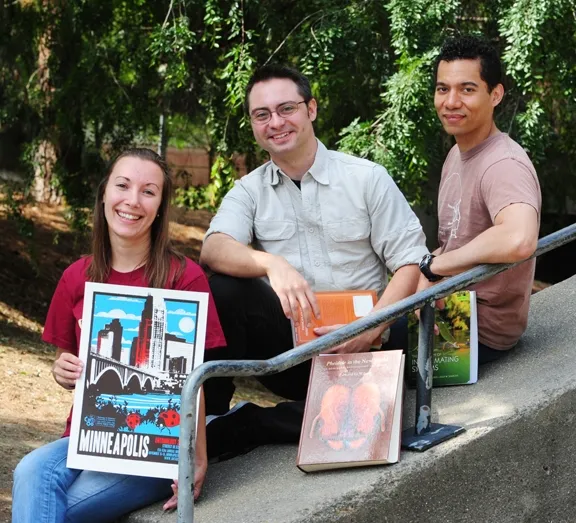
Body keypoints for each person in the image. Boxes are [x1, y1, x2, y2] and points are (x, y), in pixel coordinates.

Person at [200, 64, 429, 458]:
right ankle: (207, 421)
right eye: (262, 115)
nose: (276, 122)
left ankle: (249, 424)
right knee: (219, 286)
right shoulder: (250, 190)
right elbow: (213, 248)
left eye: (286, 108)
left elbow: (411, 264)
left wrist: (370, 328)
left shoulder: (367, 178)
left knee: (370, 419)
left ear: (311, 109)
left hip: (363, 352)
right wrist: (273, 264)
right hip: (294, 356)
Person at [12, 148, 226, 522]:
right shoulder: (77, 277)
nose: (132, 201)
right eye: (122, 186)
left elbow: (197, 380)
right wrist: (61, 370)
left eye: (148, 191)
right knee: (31, 471)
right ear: (104, 194)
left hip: (154, 449)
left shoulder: (184, 278)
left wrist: (195, 457)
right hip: (86, 438)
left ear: (160, 206)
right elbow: (68, 365)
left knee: (56, 510)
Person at [416, 35, 541, 364]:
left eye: (467, 89)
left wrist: (437, 266)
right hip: (450, 307)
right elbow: (455, 240)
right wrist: (424, 269)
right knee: (356, 325)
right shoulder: (457, 154)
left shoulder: (503, 164)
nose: (451, 101)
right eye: (443, 89)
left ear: (495, 94)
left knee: (360, 354)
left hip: (475, 330)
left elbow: (519, 238)